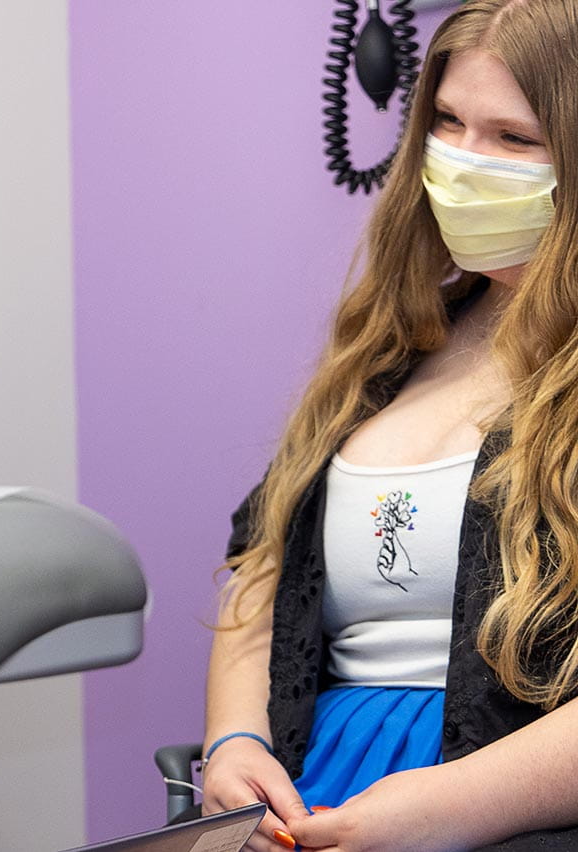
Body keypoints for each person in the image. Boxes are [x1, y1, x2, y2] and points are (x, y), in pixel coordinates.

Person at [200, 2, 578, 850]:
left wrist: (450, 810)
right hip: (320, 800)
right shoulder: (386, 356)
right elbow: (261, 575)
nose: (464, 161)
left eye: (514, 139)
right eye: (447, 121)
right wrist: (234, 745)